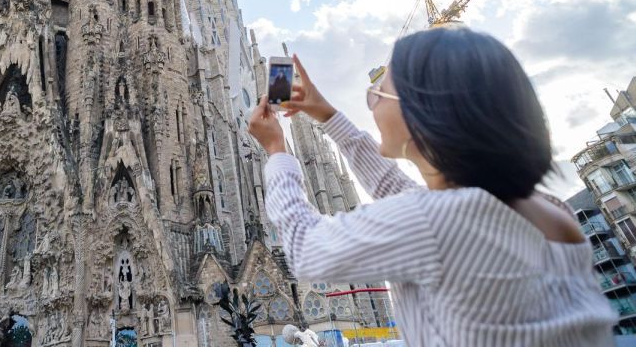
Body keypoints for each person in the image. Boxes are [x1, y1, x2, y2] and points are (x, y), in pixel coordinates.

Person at [248, 27, 616, 346]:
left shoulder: (438, 222)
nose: (371, 101)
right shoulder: (548, 210)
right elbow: (398, 189)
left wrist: (277, 151)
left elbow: (304, 249)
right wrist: (326, 115)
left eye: (378, 93)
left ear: (426, 112)